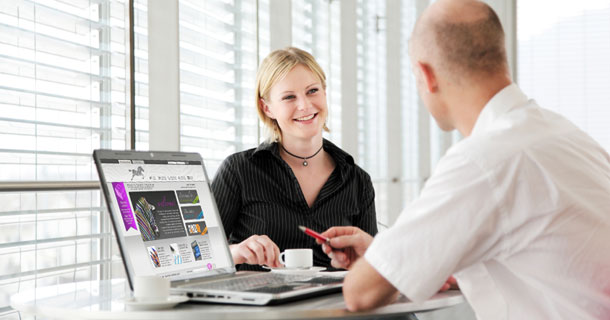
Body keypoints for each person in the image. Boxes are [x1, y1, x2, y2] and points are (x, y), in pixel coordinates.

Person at [318, 0, 610, 318]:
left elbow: (361, 292)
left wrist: (381, 264)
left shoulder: (483, 160)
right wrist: (390, 258)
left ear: (426, 76)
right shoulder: (563, 134)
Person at [211, 47, 378, 271]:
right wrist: (237, 252)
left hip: (333, 304)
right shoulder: (238, 170)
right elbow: (202, 255)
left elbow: (371, 267)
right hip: (263, 304)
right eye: (289, 97)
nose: (305, 105)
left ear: (325, 93)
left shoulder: (357, 180)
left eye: (312, 91)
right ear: (267, 107)